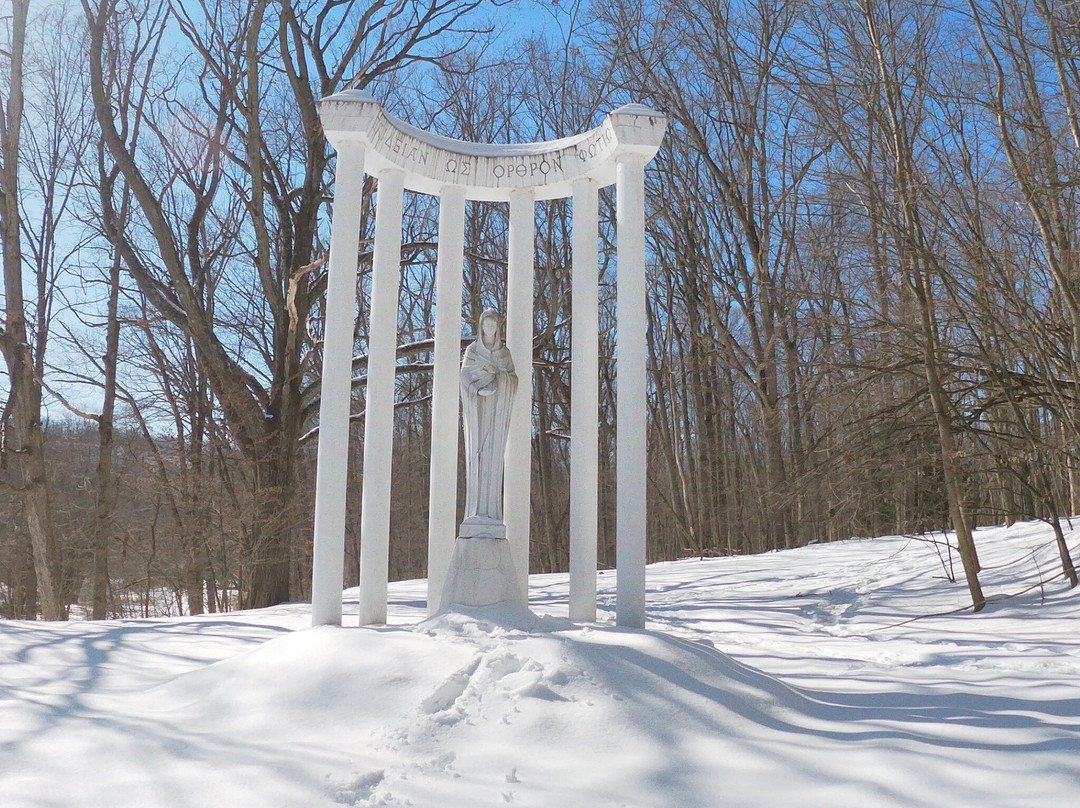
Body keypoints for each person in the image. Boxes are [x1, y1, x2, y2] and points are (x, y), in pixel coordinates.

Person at [459, 309, 517, 533]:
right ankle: (475, 511)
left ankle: (492, 511)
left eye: (493, 325)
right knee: (477, 457)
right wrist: (478, 389)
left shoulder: (505, 354)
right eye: (486, 325)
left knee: (493, 462)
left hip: (497, 413)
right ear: (481, 327)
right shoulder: (472, 351)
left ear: (498, 327)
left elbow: (512, 379)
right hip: (478, 413)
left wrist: (499, 376)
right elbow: (464, 378)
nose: (489, 329)